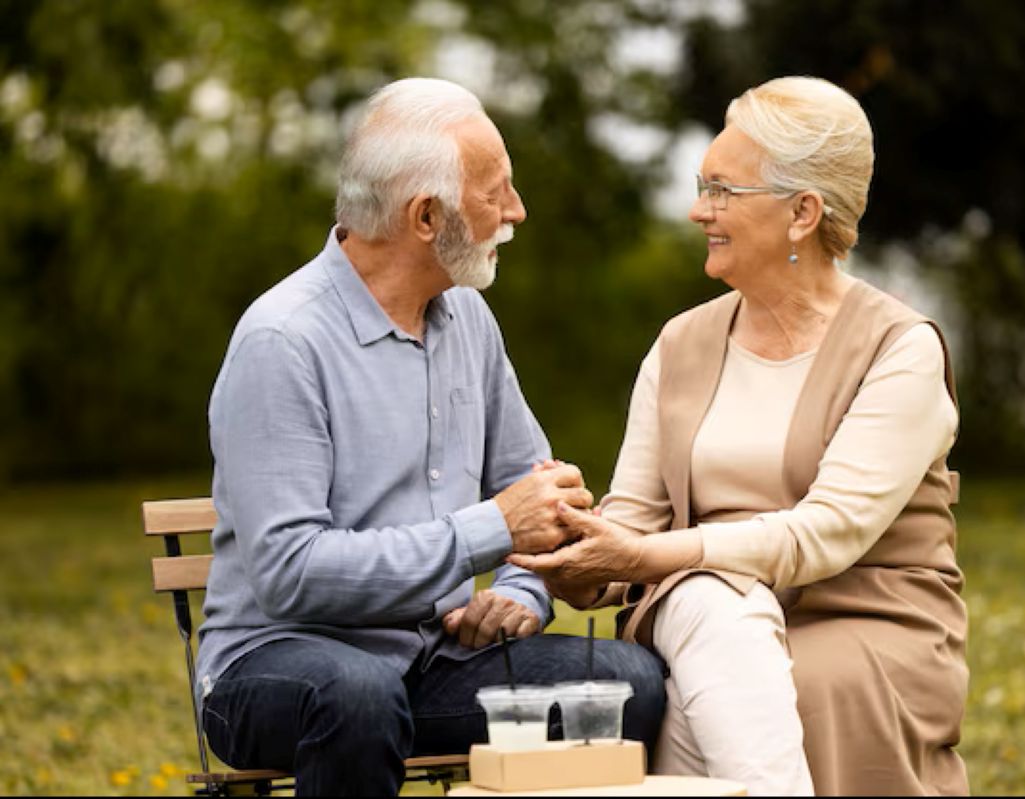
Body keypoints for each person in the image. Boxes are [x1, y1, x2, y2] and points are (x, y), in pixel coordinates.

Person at [196, 77, 666, 797]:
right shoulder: (282, 340)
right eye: (495, 192)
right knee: (355, 695)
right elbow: (289, 572)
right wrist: (488, 531)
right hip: (274, 668)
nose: (516, 211)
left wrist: (520, 592)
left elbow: (532, 498)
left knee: (629, 682)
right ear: (426, 217)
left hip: (427, 663)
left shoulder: (467, 321)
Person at [510, 76, 968, 796]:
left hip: (863, 614)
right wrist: (582, 551)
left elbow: (827, 533)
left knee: (726, 663)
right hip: (701, 610)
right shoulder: (680, 343)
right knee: (714, 625)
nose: (699, 210)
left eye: (723, 190)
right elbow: (633, 517)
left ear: (802, 213)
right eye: (702, 187)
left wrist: (651, 554)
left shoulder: (899, 348)